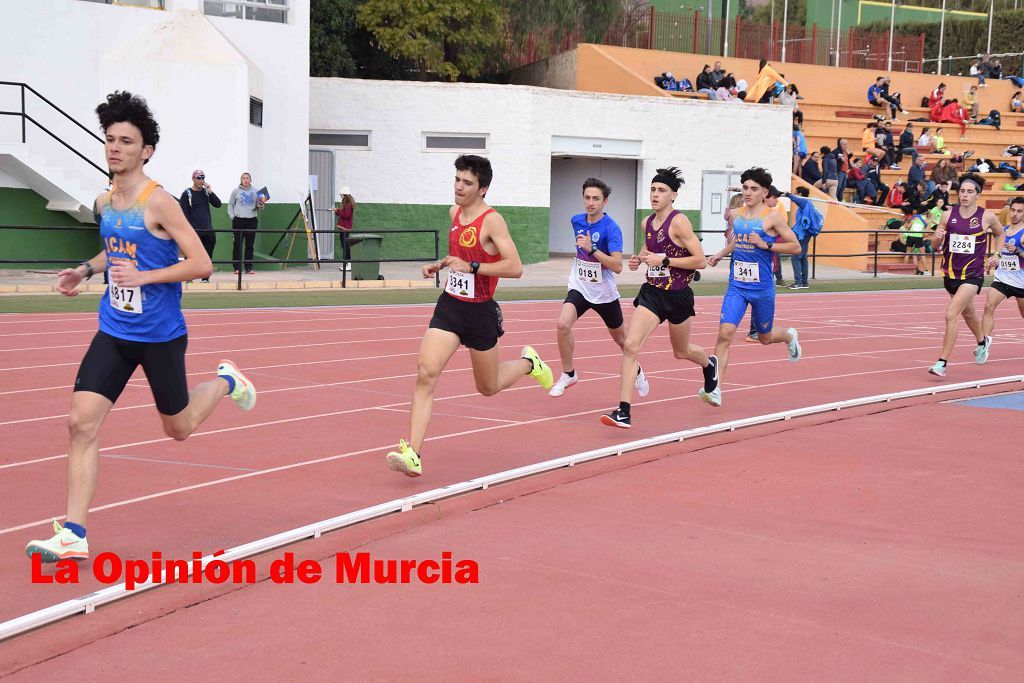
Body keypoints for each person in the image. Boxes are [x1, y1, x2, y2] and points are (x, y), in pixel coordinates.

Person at [24, 92, 256, 563]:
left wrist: (146, 277)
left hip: (159, 335)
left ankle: (227, 380)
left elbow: (202, 264)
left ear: (145, 150)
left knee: (180, 427)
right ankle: (74, 533)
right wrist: (86, 271)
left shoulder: (161, 203)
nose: (115, 148)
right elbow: (116, 251)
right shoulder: (105, 201)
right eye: (110, 139)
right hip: (114, 330)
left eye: (126, 141)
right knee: (79, 424)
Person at [385, 155, 552, 477]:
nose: (459, 187)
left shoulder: (493, 221)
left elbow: (515, 267)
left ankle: (530, 363)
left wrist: (474, 267)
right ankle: (413, 454)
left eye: (467, 183)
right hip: (451, 306)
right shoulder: (454, 213)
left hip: (480, 312)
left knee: (487, 387)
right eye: (457, 180)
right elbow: (460, 256)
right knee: (425, 373)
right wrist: (441, 264)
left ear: (483, 188)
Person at [600, 167, 717, 428]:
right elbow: (648, 249)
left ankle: (709, 365)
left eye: (661, 190)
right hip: (652, 293)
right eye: (652, 189)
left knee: (681, 351)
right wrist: (638, 258)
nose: (655, 194)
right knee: (631, 345)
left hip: (678, 296)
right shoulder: (647, 222)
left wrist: (665, 260)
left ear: (673, 195)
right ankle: (624, 411)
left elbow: (700, 261)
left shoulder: (680, 222)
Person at [701, 167, 802, 407]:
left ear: (764, 192)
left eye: (754, 189)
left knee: (765, 337)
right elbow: (738, 241)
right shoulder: (736, 214)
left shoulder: (773, 217)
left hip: (762, 288)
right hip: (737, 285)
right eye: (745, 187)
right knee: (725, 334)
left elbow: (795, 247)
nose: (748, 192)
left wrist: (766, 246)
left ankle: (789, 337)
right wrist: (720, 254)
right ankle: (715, 389)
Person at [550, 178, 649, 399]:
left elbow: (617, 266)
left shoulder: (612, 228)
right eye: (587, 197)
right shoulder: (576, 220)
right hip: (580, 285)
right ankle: (568, 374)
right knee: (562, 324)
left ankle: (638, 370)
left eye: (596, 198)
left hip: (603, 291)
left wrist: (592, 249)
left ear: (605, 201)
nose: (590, 203)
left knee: (622, 340)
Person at [927, 174, 1005, 377]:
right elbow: (935, 246)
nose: (965, 195)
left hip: (973, 274)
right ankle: (982, 342)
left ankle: (942, 363)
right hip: (950, 274)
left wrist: (996, 254)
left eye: (970, 192)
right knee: (969, 314)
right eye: (962, 191)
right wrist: (936, 238)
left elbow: (1000, 233)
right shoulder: (947, 215)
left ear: (977, 195)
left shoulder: (986, 216)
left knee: (951, 314)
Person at [980, 196, 1024, 356]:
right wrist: (993, 260)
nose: (1015, 214)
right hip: (1002, 278)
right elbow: (998, 254)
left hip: (1021, 282)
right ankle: (984, 344)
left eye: (1019, 211)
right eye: (1013, 210)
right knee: (988, 307)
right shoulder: (1003, 231)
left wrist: (1018, 251)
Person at [178, 169, 221, 282]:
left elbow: (218, 204)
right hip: (194, 230)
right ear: (193, 179)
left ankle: (205, 278)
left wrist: (210, 192)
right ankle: (189, 277)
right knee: (191, 256)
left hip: (208, 230)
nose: (201, 180)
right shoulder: (187, 194)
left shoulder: (206, 193)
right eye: (199, 178)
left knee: (207, 255)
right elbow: (184, 213)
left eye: (203, 178)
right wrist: (188, 230)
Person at [787, 186, 821, 289]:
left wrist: (788, 194)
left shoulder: (805, 203)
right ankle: (804, 282)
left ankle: (798, 282)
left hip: (802, 235)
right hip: (805, 234)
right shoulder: (808, 204)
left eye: (796, 192)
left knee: (796, 257)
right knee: (803, 258)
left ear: (800, 194)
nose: (794, 194)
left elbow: (796, 199)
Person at [228, 172, 262, 275]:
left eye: (247, 178)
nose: (246, 180)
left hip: (251, 220)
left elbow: (260, 206)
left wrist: (260, 207)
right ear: (241, 180)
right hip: (238, 220)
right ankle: (237, 268)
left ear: (250, 180)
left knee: (250, 245)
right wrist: (232, 216)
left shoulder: (257, 192)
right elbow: (230, 204)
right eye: (243, 178)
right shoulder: (235, 191)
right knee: (237, 244)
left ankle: (248, 268)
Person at [900, 206, 929, 275]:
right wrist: (923, 235)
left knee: (908, 252)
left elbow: (909, 226)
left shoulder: (914, 216)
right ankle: (926, 271)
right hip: (918, 237)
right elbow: (927, 232)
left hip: (910, 236)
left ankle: (904, 269)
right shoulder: (926, 219)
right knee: (922, 254)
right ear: (926, 212)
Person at [334, 187, 355, 272]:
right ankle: (347, 263)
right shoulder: (346, 204)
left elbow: (346, 215)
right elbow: (344, 214)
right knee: (344, 245)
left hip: (345, 228)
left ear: (345, 195)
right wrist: (337, 211)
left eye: (341, 195)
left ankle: (349, 263)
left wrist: (337, 211)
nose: (341, 196)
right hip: (343, 228)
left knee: (346, 246)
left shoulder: (349, 205)